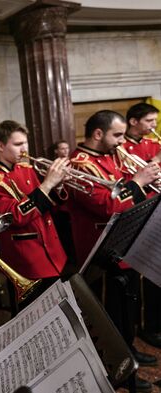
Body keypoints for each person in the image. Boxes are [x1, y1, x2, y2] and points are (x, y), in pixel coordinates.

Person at [69, 109, 160, 392]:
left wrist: (144, 181)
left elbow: (128, 194)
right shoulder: (80, 164)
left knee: (127, 307)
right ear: (98, 134)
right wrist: (138, 181)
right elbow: (106, 205)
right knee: (110, 316)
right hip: (101, 252)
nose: (122, 142)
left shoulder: (110, 154)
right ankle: (116, 369)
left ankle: (130, 349)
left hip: (125, 244)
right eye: (117, 135)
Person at [0, 120, 69, 312]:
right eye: (18, 144)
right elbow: (15, 216)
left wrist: (58, 185)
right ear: (1, 146)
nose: (24, 149)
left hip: (52, 250)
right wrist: (47, 184)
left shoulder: (26, 169)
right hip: (27, 258)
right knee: (34, 316)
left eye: (25, 143)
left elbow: (46, 203)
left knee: (57, 312)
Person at [120, 103, 161, 350]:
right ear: (133, 122)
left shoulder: (153, 143)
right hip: (138, 213)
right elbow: (125, 183)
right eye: (149, 121)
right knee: (142, 274)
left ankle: (155, 322)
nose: (154, 127)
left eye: (155, 122)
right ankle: (143, 327)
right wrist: (153, 163)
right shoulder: (122, 148)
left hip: (157, 210)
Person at [50, 140, 77, 267]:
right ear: (56, 151)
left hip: (74, 204)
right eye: (62, 148)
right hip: (60, 208)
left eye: (67, 148)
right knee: (64, 237)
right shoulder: (51, 166)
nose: (65, 151)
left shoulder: (74, 163)